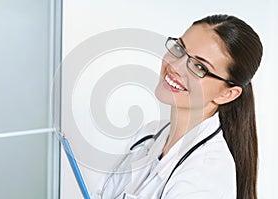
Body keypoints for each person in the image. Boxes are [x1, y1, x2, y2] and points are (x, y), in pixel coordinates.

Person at [94, 14, 263, 199]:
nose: (176, 66)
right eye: (179, 49)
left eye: (199, 67)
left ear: (227, 94)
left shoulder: (206, 175)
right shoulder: (149, 134)